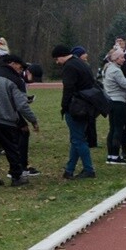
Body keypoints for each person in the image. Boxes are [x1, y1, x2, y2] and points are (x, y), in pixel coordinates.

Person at [0, 54, 39, 187]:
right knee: (11, 148)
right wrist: (33, 120)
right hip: (5, 119)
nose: (20, 70)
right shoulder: (15, 80)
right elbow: (22, 105)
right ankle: (16, 176)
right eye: (20, 67)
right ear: (13, 64)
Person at [52, 44, 97, 179]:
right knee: (76, 138)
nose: (57, 62)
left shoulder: (69, 67)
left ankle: (89, 169)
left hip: (76, 107)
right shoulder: (81, 63)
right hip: (88, 105)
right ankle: (69, 170)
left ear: (61, 56)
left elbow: (68, 89)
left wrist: (64, 106)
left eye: (56, 59)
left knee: (78, 140)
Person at [102, 46, 126, 165]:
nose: (124, 59)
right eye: (122, 57)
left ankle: (110, 155)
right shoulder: (116, 70)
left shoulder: (108, 68)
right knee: (118, 129)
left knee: (112, 129)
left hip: (111, 101)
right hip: (118, 102)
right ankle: (115, 156)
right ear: (115, 58)